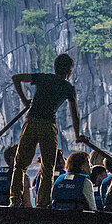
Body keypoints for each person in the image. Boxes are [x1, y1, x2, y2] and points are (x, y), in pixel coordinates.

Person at [10, 53, 82, 208]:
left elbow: (16, 78)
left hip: (32, 121)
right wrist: (78, 135)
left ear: (55, 67)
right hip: (48, 125)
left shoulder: (42, 78)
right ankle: (43, 204)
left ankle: (15, 201)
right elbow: (75, 114)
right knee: (48, 168)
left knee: (20, 165)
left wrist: (25, 101)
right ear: (69, 71)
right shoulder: (68, 88)